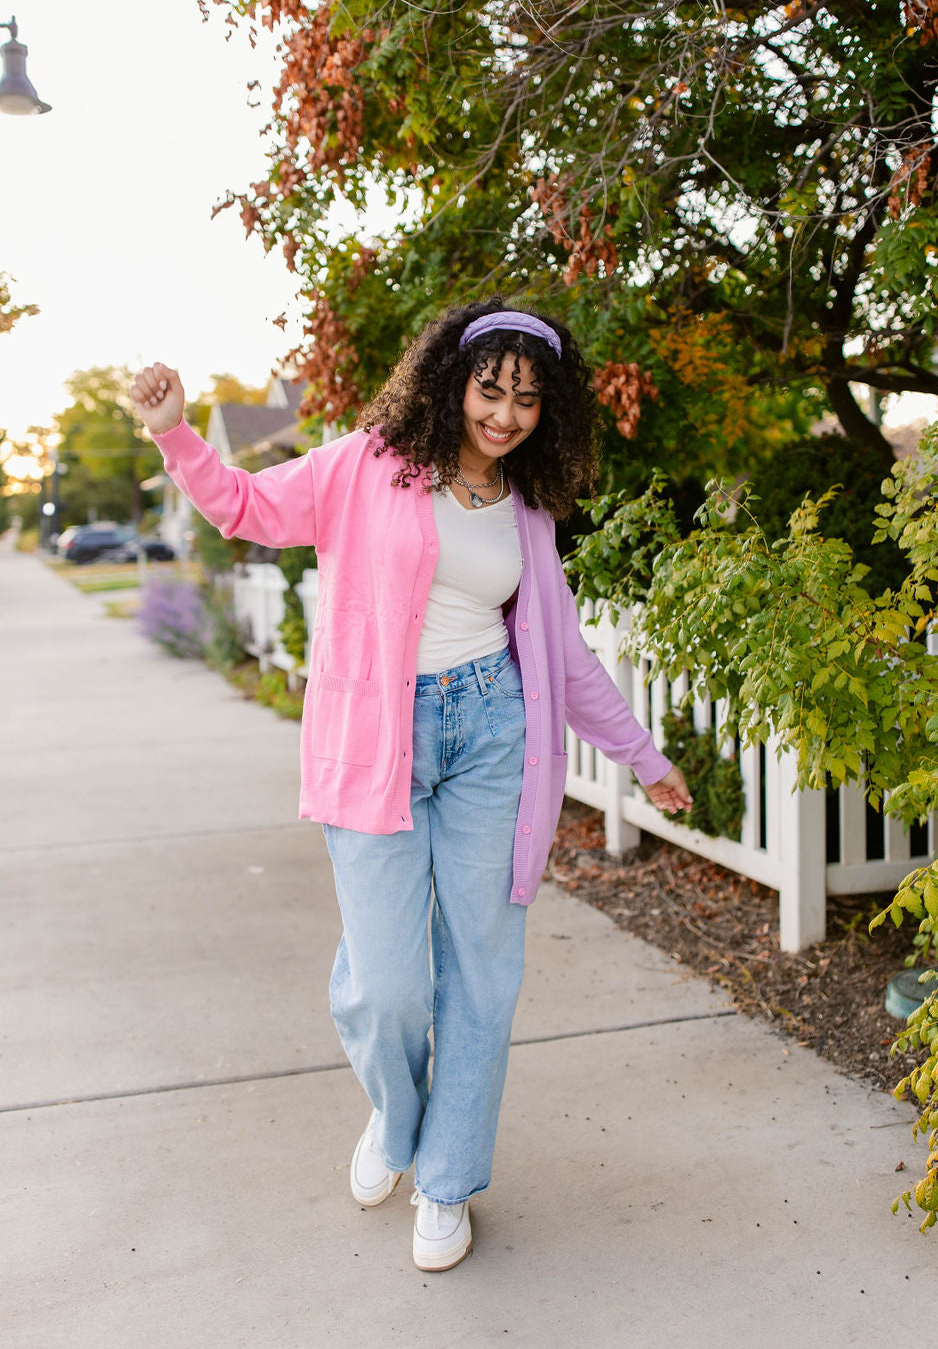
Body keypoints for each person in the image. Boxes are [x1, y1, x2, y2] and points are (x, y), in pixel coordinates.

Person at [130, 301, 692, 1273]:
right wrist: (175, 431)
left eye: (527, 399)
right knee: (387, 984)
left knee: (480, 971)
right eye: (491, 389)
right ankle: (397, 1122)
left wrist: (642, 754)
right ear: (451, 379)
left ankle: (447, 1180)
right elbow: (249, 509)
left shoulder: (527, 508)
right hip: (376, 739)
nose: (506, 416)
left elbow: (562, 657)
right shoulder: (364, 465)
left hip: (492, 737)